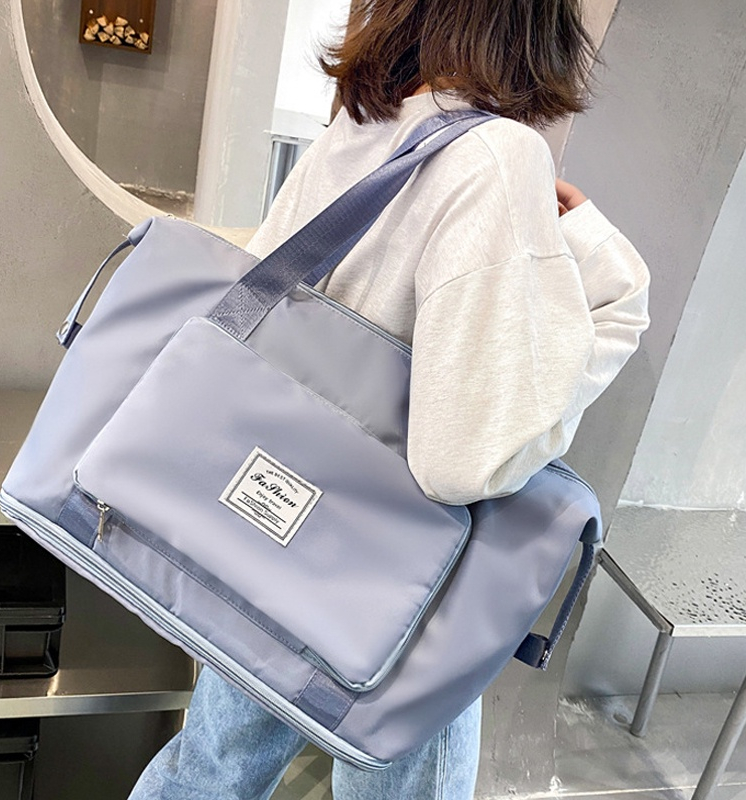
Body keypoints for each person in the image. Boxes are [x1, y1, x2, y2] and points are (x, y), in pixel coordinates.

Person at [128, 1, 650, 798]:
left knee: (208, 773)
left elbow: (254, 325)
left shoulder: (360, 127)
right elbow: (464, 458)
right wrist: (618, 291)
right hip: (395, 569)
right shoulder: (499, 156)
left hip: (270, 535)